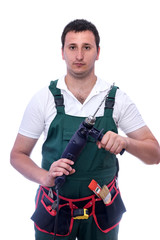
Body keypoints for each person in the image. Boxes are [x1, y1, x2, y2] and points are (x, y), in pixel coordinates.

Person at [10, 19, 160, 240]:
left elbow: (155, 154)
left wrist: (126, 142)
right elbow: (17, 155)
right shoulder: (44, 99)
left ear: (98, 52)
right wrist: (45, 177)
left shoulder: (117, 99)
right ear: (62, 52)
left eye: (86, 47)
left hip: (102, 209)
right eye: (72, 47)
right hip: (55, 207)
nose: (79, 56)